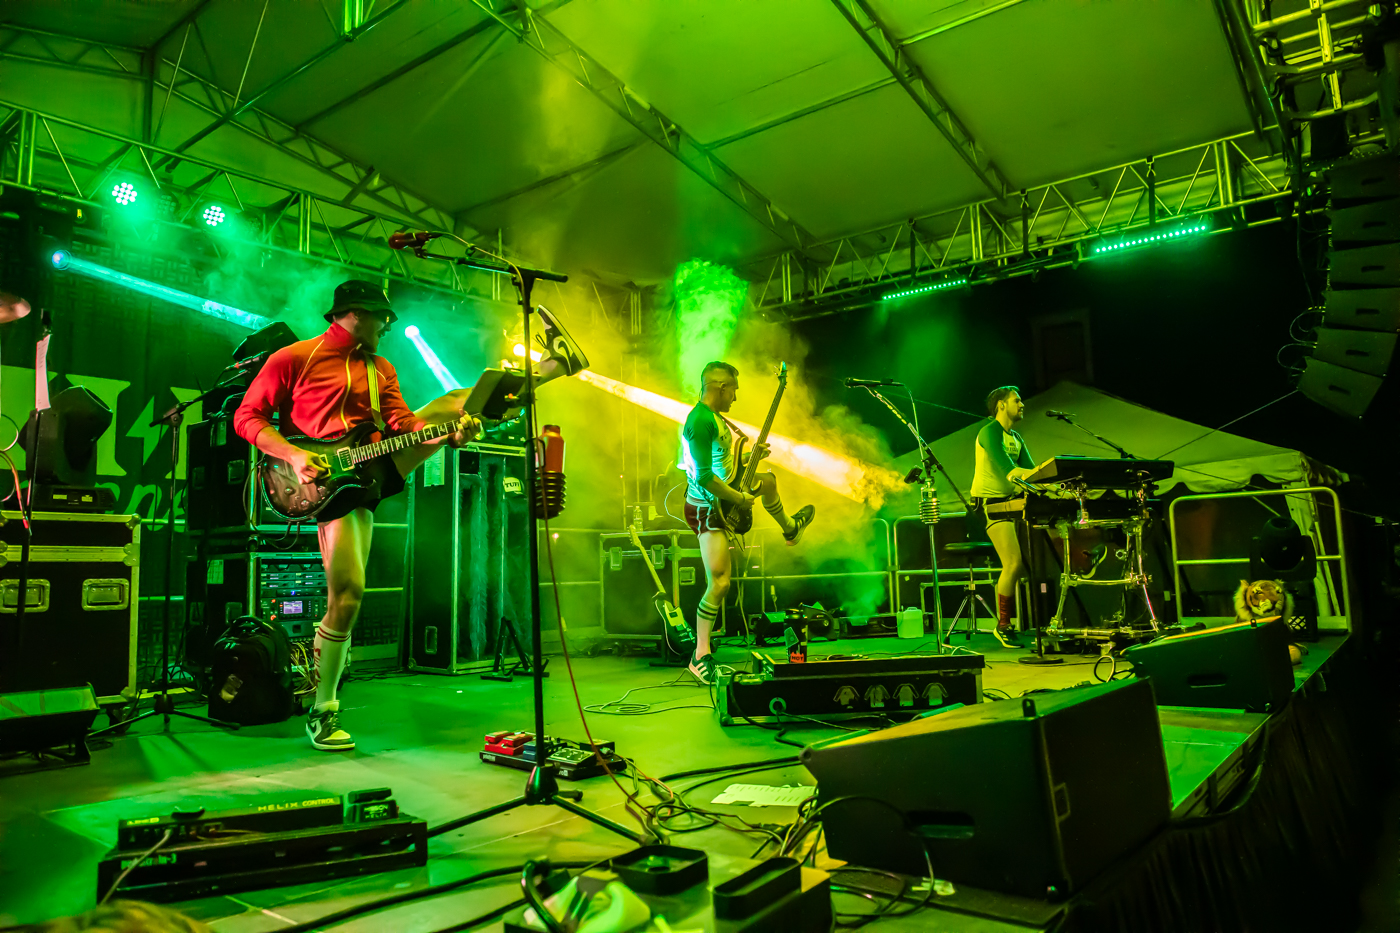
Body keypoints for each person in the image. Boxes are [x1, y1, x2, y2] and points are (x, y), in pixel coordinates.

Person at [234, 281, 587, 749]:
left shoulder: (380, 367)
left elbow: (403, 423)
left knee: (457, 403)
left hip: (372, 464)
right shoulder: (293, 357)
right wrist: (294, 455)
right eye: (382, 318)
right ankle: (323, 710)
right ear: (354, 314)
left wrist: (446, 436)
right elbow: (247, 417)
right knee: (348, 595)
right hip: (316, 480)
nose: (387, 326)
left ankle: (553, 366)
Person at [680, 361, 815, 684]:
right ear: (721, 387)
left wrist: (749, 458)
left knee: (767, 481)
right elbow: (705, 477)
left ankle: (790, 528)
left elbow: (721, 460)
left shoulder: (715, 418)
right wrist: (739, 499)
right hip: (708, 507)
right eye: (734, 391)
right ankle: (699, 656)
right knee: (719, 583)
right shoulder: (700, 421)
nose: (736, 398)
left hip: (725, 495)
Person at [971, 385, 1036, 649]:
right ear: (1001, 405)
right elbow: (1009, 471)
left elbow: (1032, 472)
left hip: (1008, 504)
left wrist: (1056, 483)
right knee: (1013, 563)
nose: (1022, 404)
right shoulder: (989, 432)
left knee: (1019, 562)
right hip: (988, 506)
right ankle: (1003, 626)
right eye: (1016, 400)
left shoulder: (1016, 437)